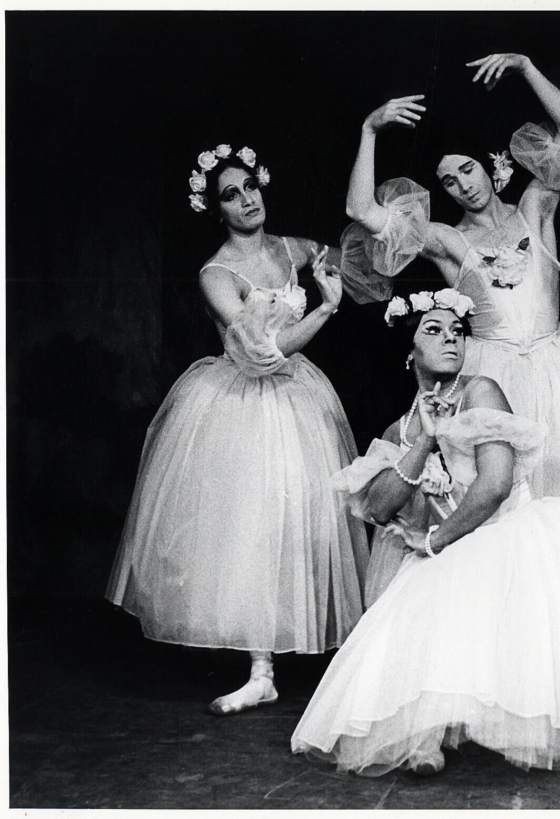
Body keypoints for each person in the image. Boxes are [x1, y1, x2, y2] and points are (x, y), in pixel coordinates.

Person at [290, 290, 560, 776]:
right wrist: (424, 439)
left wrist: (435, 541)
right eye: (434, 330)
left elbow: (494, 485)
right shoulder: (398, 428)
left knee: (449, 574)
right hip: (449, 541)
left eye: (457, 332)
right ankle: (426, 731)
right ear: (409, 352)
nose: (450, 339)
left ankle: (470, 724)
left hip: (506, 529)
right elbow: (380, 509)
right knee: (417, 588)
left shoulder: (480, 391)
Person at [107, 144, 371, 715]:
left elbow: (347, 258)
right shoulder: (216, 274)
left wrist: (343, 270)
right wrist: (324, 310)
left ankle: (341, 660)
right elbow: (263, 351)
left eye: (250, 187)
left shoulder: (290, 247)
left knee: (305, 519)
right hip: (243, 400)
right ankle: (261, 669)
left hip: (299, 399)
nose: (247, 199)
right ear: (215, 208)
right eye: (231, 194)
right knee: (251, 525)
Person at [341, 53, 560, 553]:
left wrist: (527, 66)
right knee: (503, 513)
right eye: (449, 180)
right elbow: (361, 210)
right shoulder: (448, 240)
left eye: (467, 170)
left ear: (491, 166)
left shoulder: (536, 207)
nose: (463, 185)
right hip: (495, 380)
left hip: (558, 375)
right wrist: (369, 129)